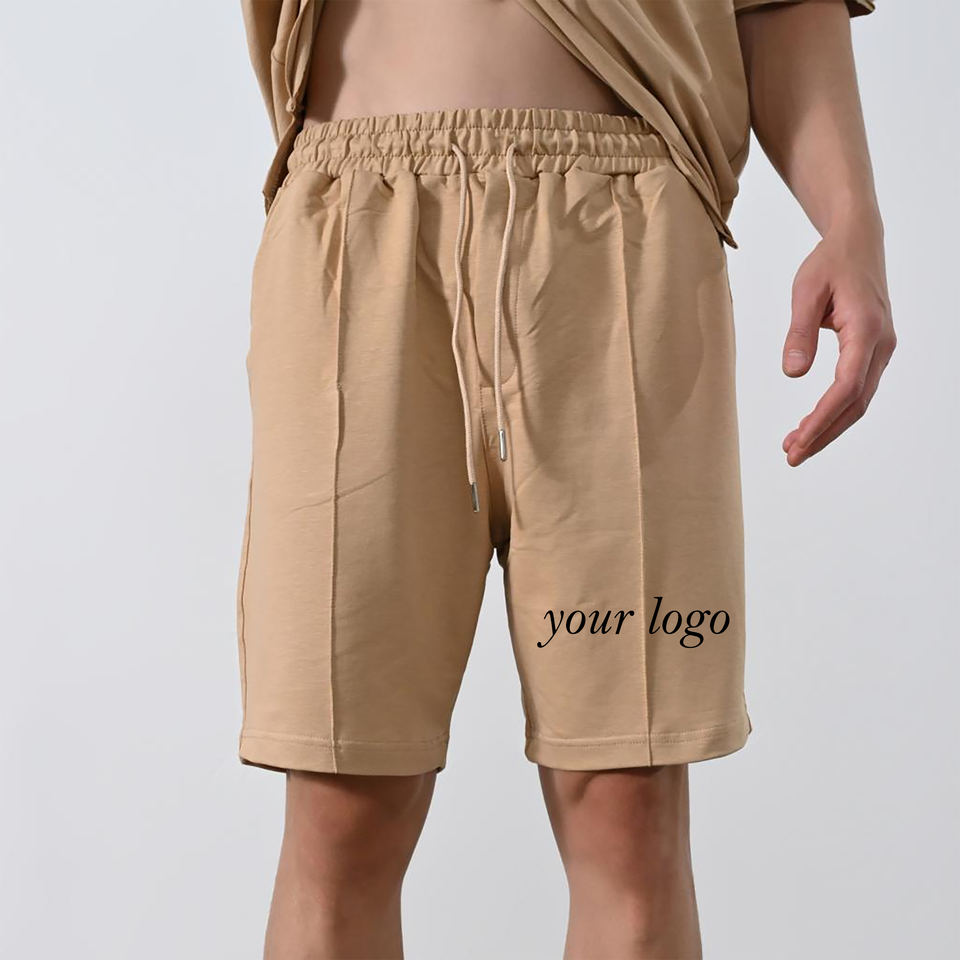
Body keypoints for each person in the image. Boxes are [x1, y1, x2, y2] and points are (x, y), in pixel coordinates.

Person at [236, 1, 895, 957]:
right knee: (339, 815)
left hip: (625, 239)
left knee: (629, 815)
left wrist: (852, 221)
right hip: (354, 230)